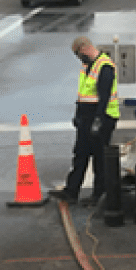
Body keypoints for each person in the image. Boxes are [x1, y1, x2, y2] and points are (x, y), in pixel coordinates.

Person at [50, 35, 119, 207]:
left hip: (102, 118)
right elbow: (83, 94)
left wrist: (98, 120)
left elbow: (103, 98)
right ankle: (71, 191)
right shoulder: (88, 65)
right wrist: (78, 115)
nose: (79, 59)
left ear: (85, 48)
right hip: (86, 118)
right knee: (80, 154)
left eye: (79, 54)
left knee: (99, 158)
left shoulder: (105, 67)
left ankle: (99, 195)